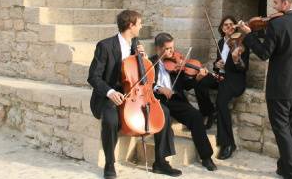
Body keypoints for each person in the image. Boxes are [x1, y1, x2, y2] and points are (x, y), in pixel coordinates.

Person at [87, 10, 183, 178]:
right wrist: (110, 92)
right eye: (139, 23)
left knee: (164, 112)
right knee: (110, 120)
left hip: (133, 95)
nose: (141, 26)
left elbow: (142, 76)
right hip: (108, 97)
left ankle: (161, 162)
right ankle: (110, 163)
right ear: (130, 25)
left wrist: (144, 61)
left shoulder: (136, 44)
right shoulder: (105, 46)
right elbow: (93, 77)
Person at [238, 0, 292, 179]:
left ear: (285, 3)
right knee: (291, 128)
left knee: (282, 129)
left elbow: (264, 53)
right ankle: (283, 167)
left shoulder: (278, 24)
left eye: (275, 2)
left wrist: (249, 35)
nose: (273, 7)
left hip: (281, 86)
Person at [150, 32, 218, 172]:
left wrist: (197, 79)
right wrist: (159, 88)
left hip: (175, 99)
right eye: (167, 49)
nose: (171, 52)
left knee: (196, 116)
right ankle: (162, 162)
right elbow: (145, 84)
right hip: (157, 100)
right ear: (158, 49)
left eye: (172, 48)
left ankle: (206, 157)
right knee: (165, 115)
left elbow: (186, 85)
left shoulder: (177, 64)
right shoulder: (150, 63)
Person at [194, 15, 249, 160]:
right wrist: (216, 65)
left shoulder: (240, 42)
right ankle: (209, 112)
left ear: (236, 27)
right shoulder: (220, 42)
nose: (229, 27)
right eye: (226, 25)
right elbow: (219, 63)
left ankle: (228, 144)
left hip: (234, 81)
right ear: (222, 28)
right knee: (199, 81)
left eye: (232, 25)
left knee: (221, 102)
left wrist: (235, 61)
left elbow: (243, 68)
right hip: (221, 77)